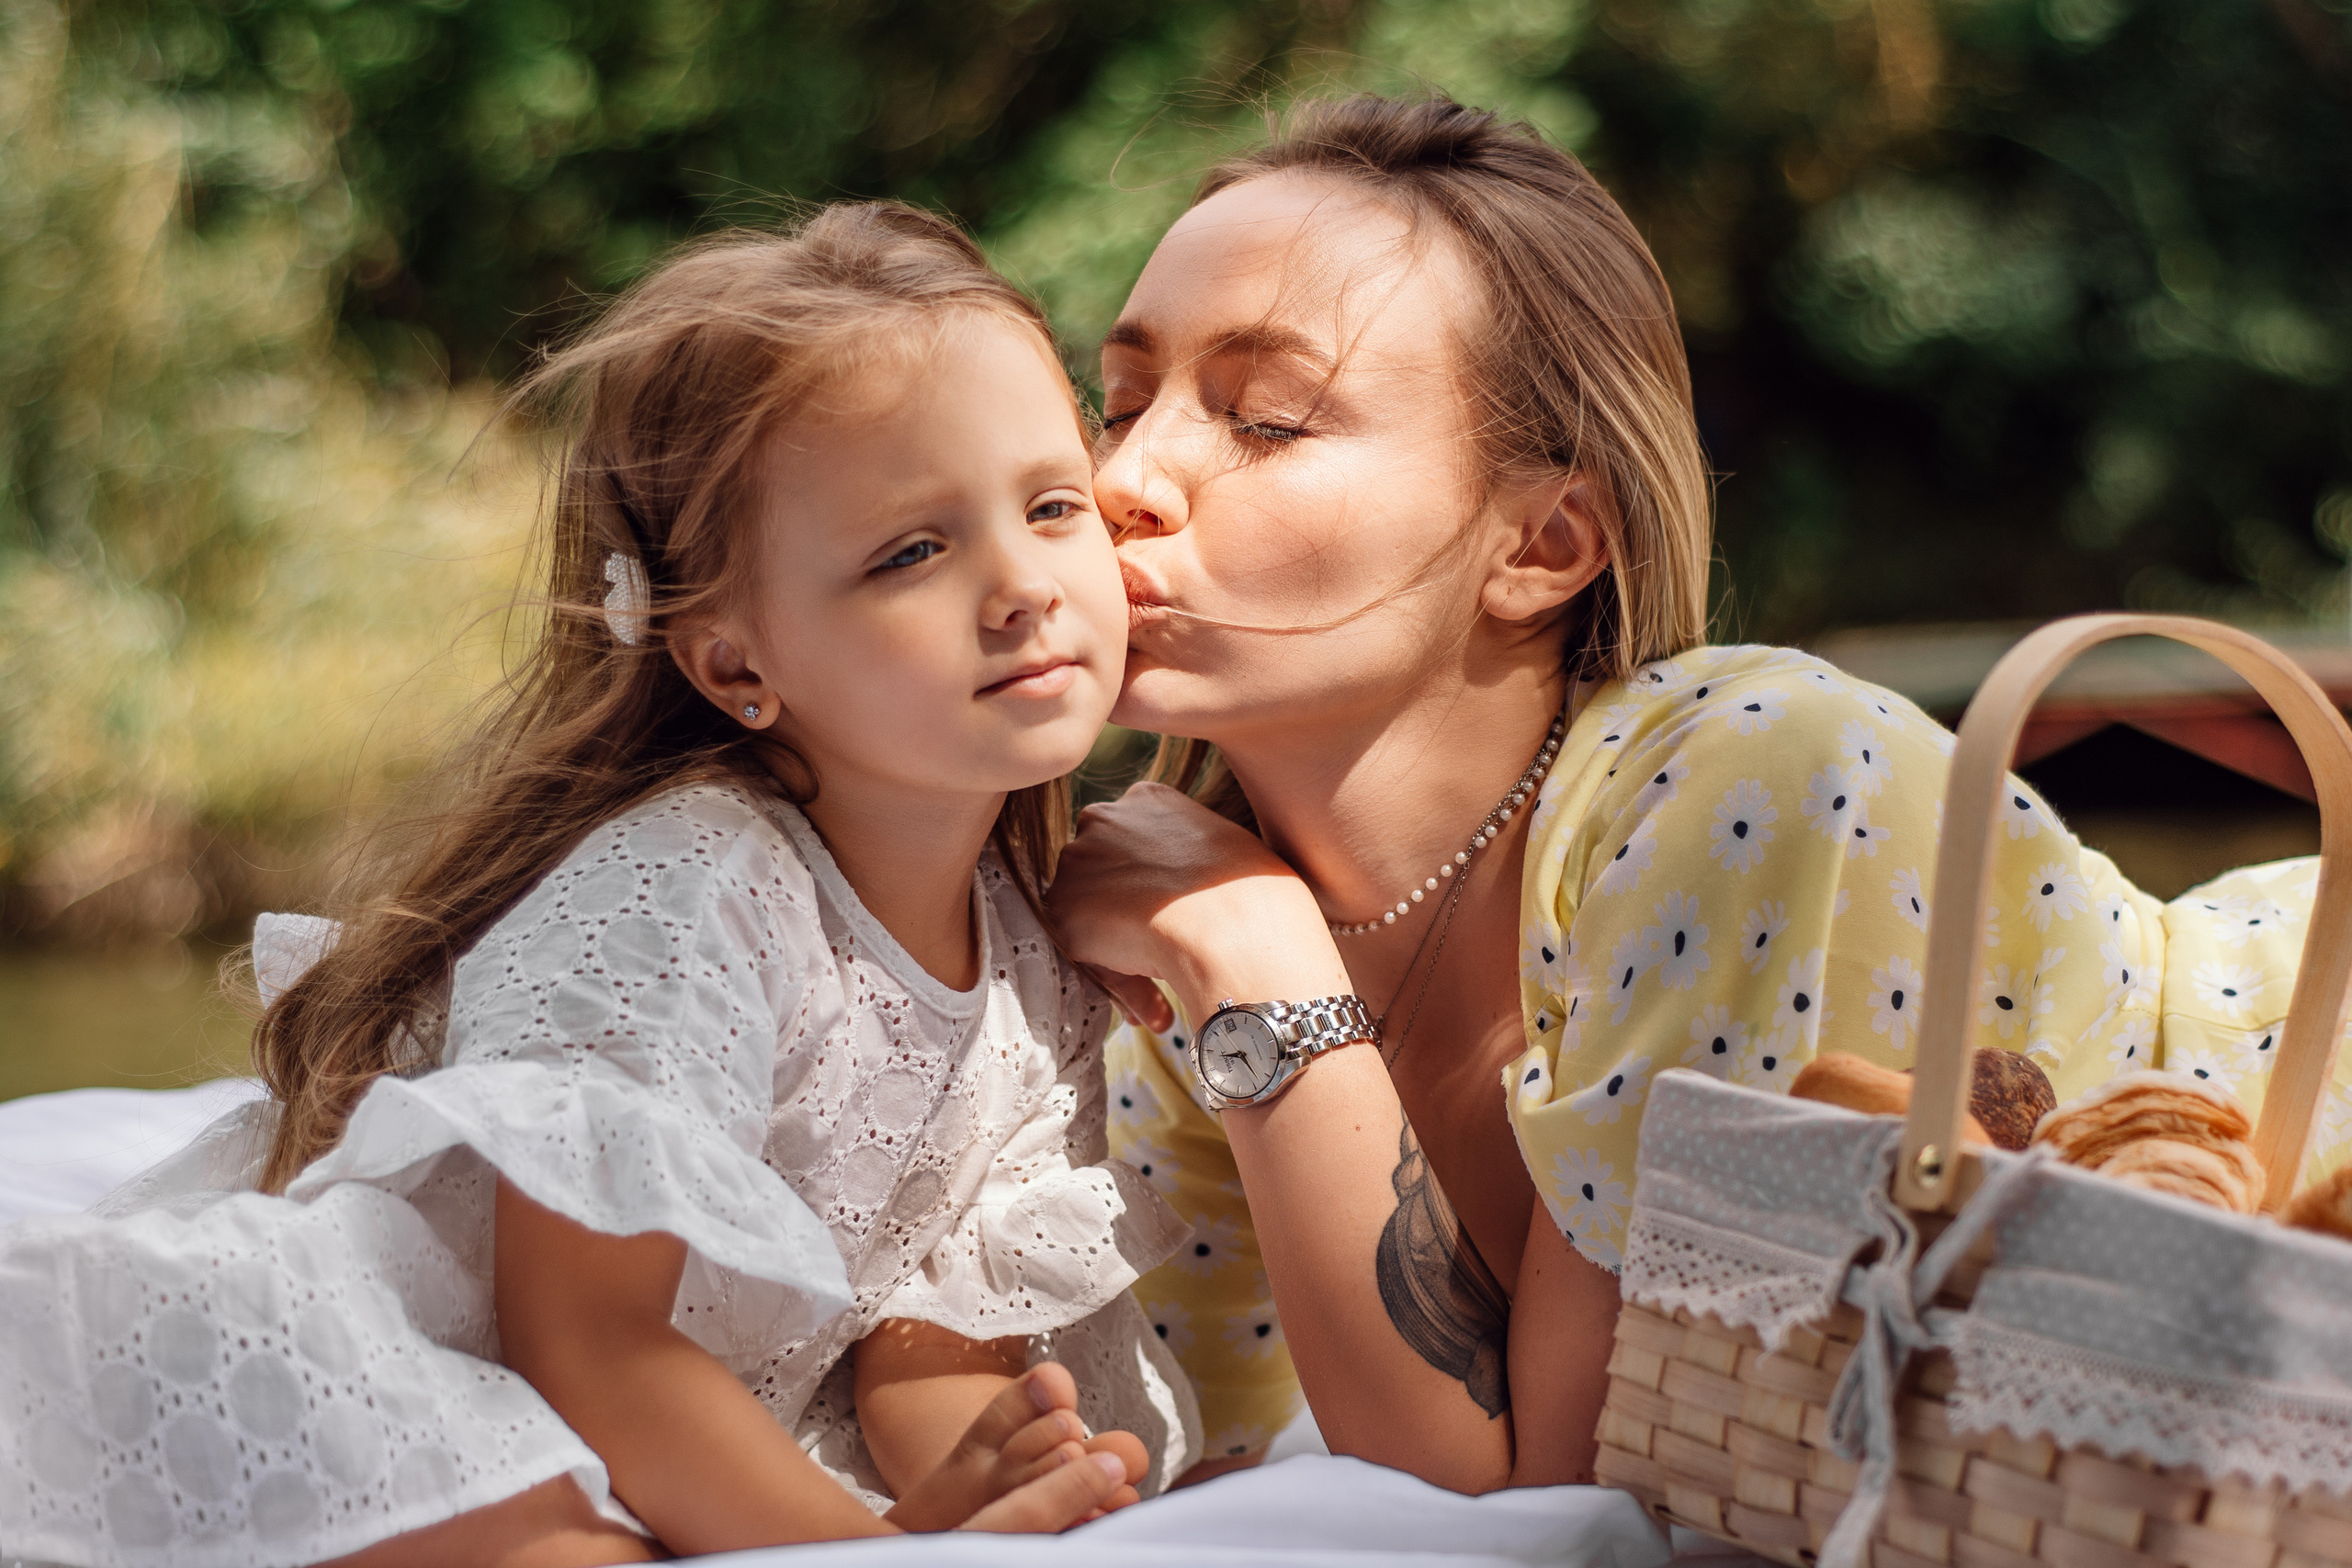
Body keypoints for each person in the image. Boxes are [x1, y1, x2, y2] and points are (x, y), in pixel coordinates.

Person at [1045, 92, 2342, 1494]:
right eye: (1116, 404)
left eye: (1265, 418)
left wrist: (1264, 982)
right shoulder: (1193, 902)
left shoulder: (1748, 779)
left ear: (1542, 543)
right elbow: (1163, 1442)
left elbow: (1560, 1493)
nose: (1124, 477)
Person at [0, 202, 1199, 1568]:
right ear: (737, 662)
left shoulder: (1030, 945)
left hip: (642, 1428)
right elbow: (586, 1340)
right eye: (910, 553)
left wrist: (989, 1484)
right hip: (422, 1375)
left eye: (1052, 507)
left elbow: (922, 1339)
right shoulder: (690, 892)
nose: (1022, 587)